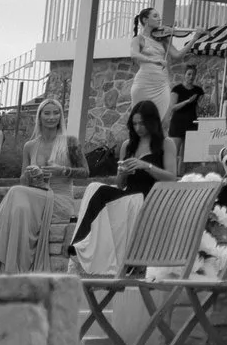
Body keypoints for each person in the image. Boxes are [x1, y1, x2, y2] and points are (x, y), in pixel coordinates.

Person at [0, 95, 81, 272]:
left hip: (60, 199)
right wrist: (31, 173)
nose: (51, 117)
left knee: (16, 192)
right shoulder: (30, 145)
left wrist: (62, 171)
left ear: (61, 116)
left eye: (56, 113)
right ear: (39, 116)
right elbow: (23, 181)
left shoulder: (70, 142)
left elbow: (86, 172)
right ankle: (13, 269)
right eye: (47, 113)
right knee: (19, 209)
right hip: (37, 195)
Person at [72, 102, 175, 248]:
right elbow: (121, 185)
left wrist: (147, 166)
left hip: (151, 197)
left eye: (142, 124)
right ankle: (80, 243)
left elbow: (172, 177)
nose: (138, 128)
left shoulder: (166, 143)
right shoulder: (128, 145)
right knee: (94, 187)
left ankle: (81, 243)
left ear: (152, 122)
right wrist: (122, 172)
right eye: (134, 124)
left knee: (101, 192)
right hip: (129, 195)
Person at [129, 8, 197, 173]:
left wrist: (195, 37)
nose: (159, 19)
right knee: (140, 122)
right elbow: (134, 55)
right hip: (144, 83)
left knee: (163, 122)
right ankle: (136, 159)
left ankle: (160, 162)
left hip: (161, 84)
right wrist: (152, 59)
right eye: (155, 16)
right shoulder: (139, 39)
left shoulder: (163, 40)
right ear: (145, 20)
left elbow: (178, 55)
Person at [167, 66, 205, 153]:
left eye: (193, 74)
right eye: (189, 74)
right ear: (184, 75)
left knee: (187, 156)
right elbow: (172, 107)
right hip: (178, 124)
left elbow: (202, 106)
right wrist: (188, 101)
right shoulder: (177, 89)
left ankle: (182, 167)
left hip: (192, 123)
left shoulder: (198, 90)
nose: (191, 77)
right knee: (174, 153)